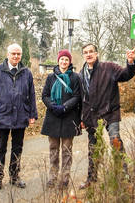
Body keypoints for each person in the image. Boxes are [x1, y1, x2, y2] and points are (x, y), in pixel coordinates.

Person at [78, 43, 135, 189]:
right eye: (86, 52)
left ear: (96, 54)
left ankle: (123, 176)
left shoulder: (108, 67)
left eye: (91, 51)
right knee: (93, 148)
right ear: (83, 55)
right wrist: (82, 118)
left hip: (110, 113)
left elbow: (126, 75)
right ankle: (91, 178)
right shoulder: (81, 74)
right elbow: (82, 99)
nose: (88, 54)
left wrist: (130, 62)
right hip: (91, 116)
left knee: (115, 141)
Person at [0, 43, 38, 190]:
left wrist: (32, 114)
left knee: (17, 148)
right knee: (0, 148)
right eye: (13, 53)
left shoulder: (27, 73)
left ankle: (15, 176)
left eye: (18, 54)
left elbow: (31, 95)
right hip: (2, 115)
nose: (16, 56)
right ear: (7, 54)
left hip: (21, 116)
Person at [41, 49, 81, 190]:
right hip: (53, 117)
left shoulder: (75, 77)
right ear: (58, 61)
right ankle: (52, 177)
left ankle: (64, 179)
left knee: (66, 151)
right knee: (53, 149)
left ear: (69, 62)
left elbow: (77, 96)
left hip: (69, 118)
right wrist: (52, 106)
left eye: (66, 59)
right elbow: (44, 95)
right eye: (62, 59)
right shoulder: (51, 77)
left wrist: (65, 107)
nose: (64, 62)